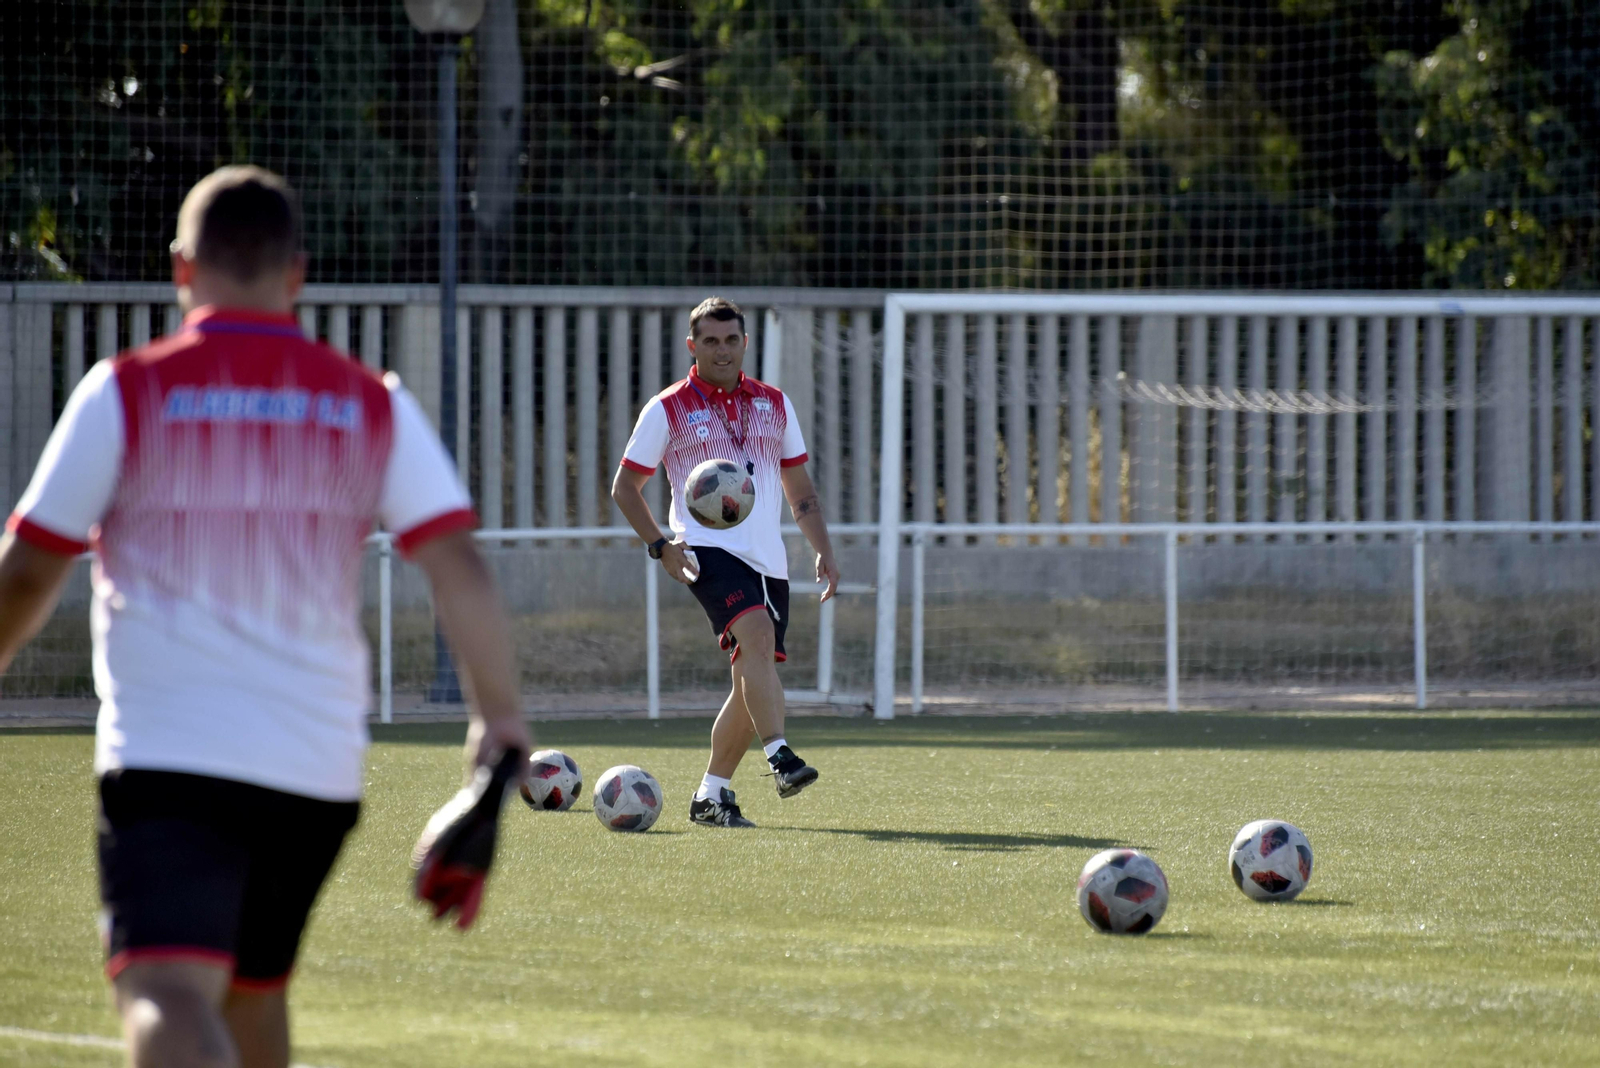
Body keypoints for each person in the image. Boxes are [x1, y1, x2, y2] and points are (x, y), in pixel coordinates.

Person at [0, 166, 531, 1068]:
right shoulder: (370, 400)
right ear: (297, 274)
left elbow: (27, 573)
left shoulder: (126, 391)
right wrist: (500, 720)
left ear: (181, 267)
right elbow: (460, 566)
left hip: (170, 756)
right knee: (252, 996)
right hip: (316, 771)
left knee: (166, 989)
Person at [611, 297, 840, 828]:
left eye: (731, 340)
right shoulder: (667, 408)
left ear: (744, 343)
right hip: (705, 551)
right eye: (710, 341)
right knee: (756, 636)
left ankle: (710, 797)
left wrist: (824, 550)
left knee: (749, 681)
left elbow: (800, 492)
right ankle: (781, 757)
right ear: (692, 346)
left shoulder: (775, 403)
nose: (721, 350)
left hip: (769, 563)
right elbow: (625, 487)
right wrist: (661, 546)